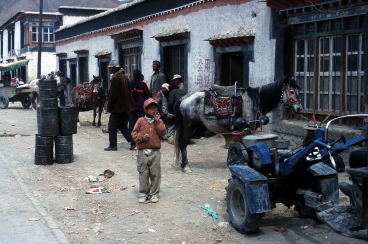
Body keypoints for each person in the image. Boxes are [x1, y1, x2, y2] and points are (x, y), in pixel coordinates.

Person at [131, 98, 167, 203]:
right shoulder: (141, 121)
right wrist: (142, 138)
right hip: (143, 152)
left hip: (155, 152)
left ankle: (154, 194)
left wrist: (157, 122)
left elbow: (163, 132)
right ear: (146, 110)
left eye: (155, 108)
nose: (153, 110)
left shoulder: (158, 121)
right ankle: (143, 194)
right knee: (143, 173)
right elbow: (134, 133)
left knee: (155, 173)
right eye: (151, 108)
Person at [104, 60, 136, 151]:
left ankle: (113, 145)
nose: (109, 69)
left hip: (117, 108)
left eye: (110, 68)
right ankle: (132, 141)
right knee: (122, 126)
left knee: (112, 126)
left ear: (114, 68)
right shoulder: (124, 77)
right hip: (125, 107)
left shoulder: (115, 79)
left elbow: (113, 95)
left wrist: (109, 106)